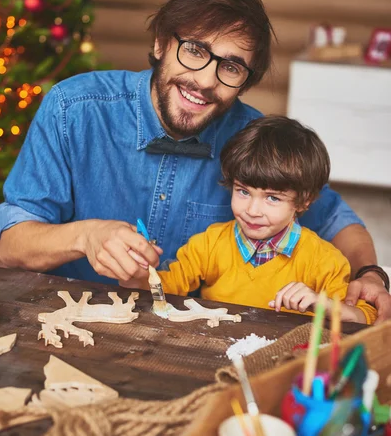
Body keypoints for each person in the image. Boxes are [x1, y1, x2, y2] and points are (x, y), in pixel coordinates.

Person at [0, 0, 391, 321]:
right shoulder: (73, 109)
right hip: (78, 316)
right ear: (160, 43)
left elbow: (337, 220)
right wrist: (85, 236)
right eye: (196, 50)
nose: (204, 81)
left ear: (245, 80)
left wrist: (370, 275)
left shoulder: (255, 141)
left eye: (231, 67)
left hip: (201, 338)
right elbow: (13, 245)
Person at [120, 116, 377, 324]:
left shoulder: (325, 261)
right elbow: (167, 288)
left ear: (303, 201)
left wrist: (326, 307)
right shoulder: (210, 244)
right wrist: (140, 277)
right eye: (243, 191)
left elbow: (366, 316)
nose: (253, 210)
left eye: (272, 198)